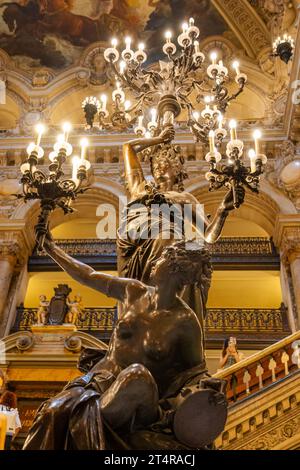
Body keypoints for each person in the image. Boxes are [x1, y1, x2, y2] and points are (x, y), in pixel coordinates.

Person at [23, 234, 227, 450]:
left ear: (175, 269)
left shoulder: (186, 322)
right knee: (52, 411)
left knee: (136, 375)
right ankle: (88, 419)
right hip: (98, 382)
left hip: (138, 395)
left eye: (162, 259)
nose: (154, 263)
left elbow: (194, 373)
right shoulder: (133, 291)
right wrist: (52, 249)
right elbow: (88, 275)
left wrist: (210, 394)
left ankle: (90, 422)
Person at [117, 126, 245, 338]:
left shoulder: (186, 199)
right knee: (170, 239)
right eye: (155, 164)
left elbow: (209, 236)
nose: (159, 168)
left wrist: (222, 211)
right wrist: (157, 138)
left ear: (177, 170)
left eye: (165, 164)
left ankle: (172, 310)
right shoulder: (139, 187)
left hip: (167, 246)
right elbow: (128, 146)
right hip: (134, 245)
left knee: (192, 253)